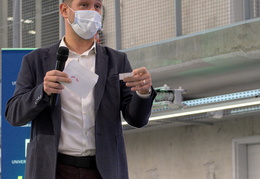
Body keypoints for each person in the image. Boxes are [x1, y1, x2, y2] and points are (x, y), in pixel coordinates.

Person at [5, 0, 156, 179]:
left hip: (102, 170)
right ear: (64, 10)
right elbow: (14, 115)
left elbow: (136, 119)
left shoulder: (117, 61)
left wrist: (143, 92)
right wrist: (42, 91)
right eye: (84, 5)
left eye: (97, 6)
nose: (92, 11)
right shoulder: (36, 60)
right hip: (53, 169)